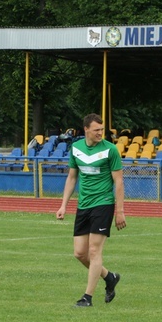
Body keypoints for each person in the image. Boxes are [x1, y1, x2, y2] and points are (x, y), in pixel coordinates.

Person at [56, 113, 126, 307]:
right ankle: (109, 277)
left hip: (103, 203)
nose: (100, 133)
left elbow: (118, 181)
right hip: (83, 205)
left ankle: (87, 297)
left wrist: (119, 211)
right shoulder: (76, 148)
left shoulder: (111, 150)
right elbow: (72, 177)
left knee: (94, 251)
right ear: (86, 129)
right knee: (80, 253)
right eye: (96, 130)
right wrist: (63, 205)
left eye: (102, 130)